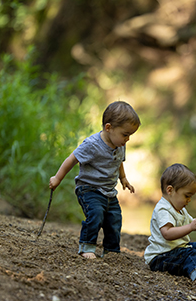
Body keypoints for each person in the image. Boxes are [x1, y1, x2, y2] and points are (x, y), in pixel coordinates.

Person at [49, 101, 139, 259]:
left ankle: (111, 251)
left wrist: (123, 178)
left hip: (109, 191)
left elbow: (119, 162)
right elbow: (72, 159)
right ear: (108, 127)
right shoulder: (92, 144)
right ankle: (87, 246)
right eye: (125, 134)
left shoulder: (120, 144)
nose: (128, 139)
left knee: (114, 219)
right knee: (96, 213)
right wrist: (57, 178)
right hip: (89, 188)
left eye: (130, 135)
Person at [144, 163, 196, 287]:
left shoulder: (180, 210)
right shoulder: (163, 209)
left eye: (191, 197)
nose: (189, 200)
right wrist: (190, 227)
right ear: (170, 190)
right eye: (187, 196)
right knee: (191, 254)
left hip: (174, 252)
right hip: (160, 258)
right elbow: (167, 233)